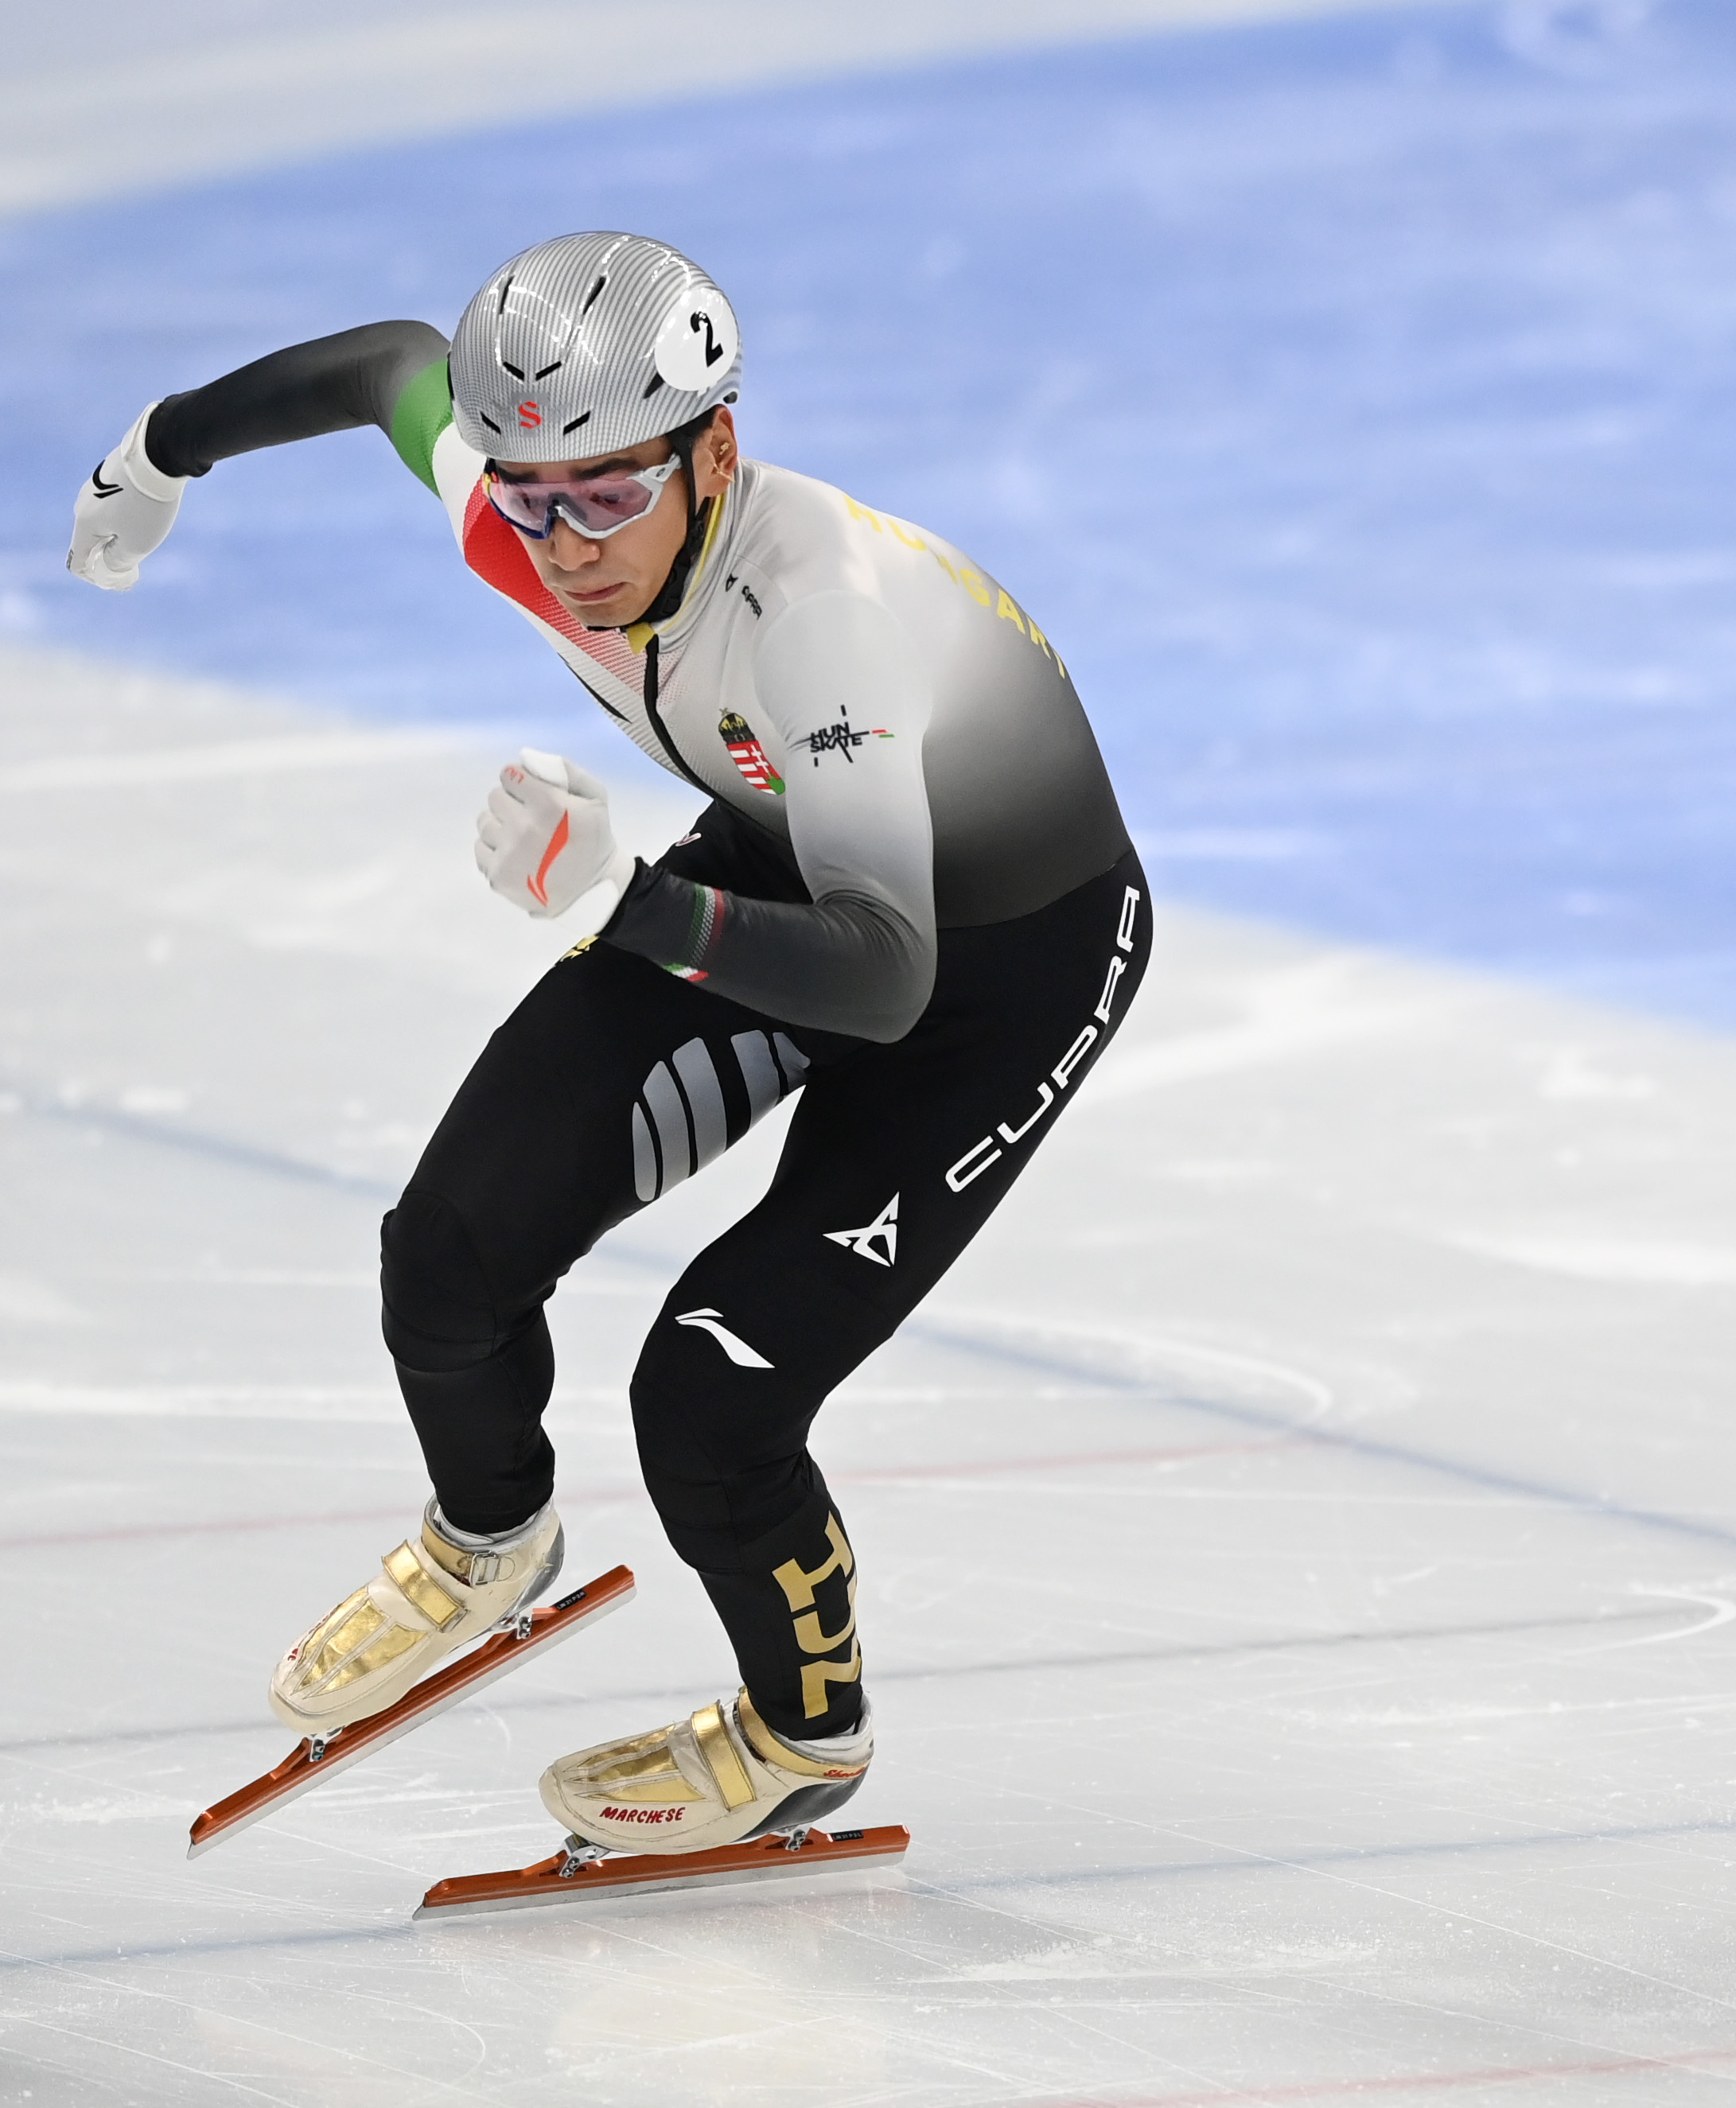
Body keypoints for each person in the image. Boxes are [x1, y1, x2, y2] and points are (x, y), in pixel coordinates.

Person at [67, 231, 1146, 1852]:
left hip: (998, 964)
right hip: (793, 864)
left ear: (715, 452)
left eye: (605, 497)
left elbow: (885, 980)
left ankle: (806, 1729)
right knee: (445, 1251)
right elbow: (381, 365)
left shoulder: (822, 626)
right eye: (527, 495)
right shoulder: (532, 515)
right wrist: (165, 442)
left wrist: (630, 898)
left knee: (710, 1388)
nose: (565, 547)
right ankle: (493, 1532)